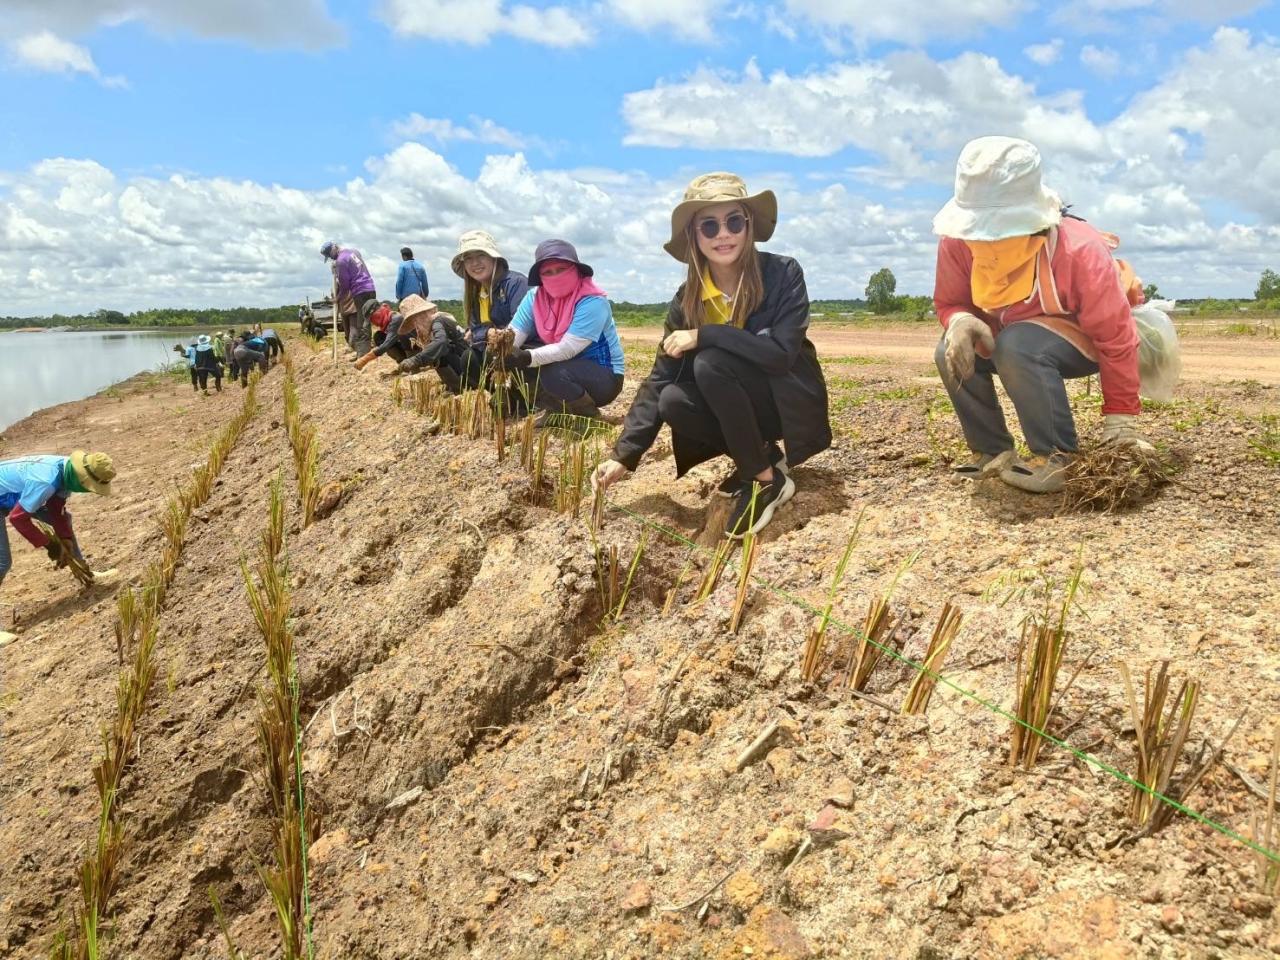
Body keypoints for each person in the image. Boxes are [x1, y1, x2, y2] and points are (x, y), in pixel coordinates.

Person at [592, 173, 831, 539]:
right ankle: (762, 457)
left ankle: (766, 482)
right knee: (673, 399)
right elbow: (660, 379)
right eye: (709, 225)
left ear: (749, 226)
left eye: (734, 221)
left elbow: (781, 355)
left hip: (785, 402)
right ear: (694, 235)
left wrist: (706, 335)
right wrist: (623, 456)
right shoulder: (686, 300)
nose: (723, 234)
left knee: (709, 361)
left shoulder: (783, 274)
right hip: (736, 408)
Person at [932, 136, 1150, 494]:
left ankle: (1055, 456)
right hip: (1008, 338)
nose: (987, 241)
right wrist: (958, 320)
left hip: (1075, 345)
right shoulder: (956, 242)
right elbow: (950, 300)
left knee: (1017, 345)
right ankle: (992, 451)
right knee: (948, 350)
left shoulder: (1078, 250)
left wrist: (1121, 418)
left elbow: (1115, 336)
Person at [499, 240, 624, 430]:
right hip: (567, 365)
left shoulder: (592, 301)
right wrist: (502, 350)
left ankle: (589, 417)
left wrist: (525, 357)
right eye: (547, 272)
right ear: (540, 276)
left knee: (548, 369)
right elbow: (516, 332)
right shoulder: (535, 297)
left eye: (561, 268)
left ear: (576, 269)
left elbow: (569, 348)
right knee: (519, 355)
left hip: (604, 376)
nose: (555, 276)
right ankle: (556, 410)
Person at [0, 451, 116, 639]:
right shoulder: (46, 481)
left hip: (11, 496)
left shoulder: (66, 471)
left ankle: (85, 570)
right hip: (6, 500)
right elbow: (18, 518)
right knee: (2, 562)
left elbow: (56, 509)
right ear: (83, 481)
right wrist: (52, 546)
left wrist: (66, 540)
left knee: (65, 520)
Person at [451, 230, 529, 388]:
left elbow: (522, 327)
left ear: (494, 258)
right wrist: (486, 333)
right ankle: (495, 394)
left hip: (520, 350)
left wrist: (489, 334)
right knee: (469, 358)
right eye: (468, 258)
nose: (475, 263)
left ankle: (519, 398)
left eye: (481, 255)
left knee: (491, 353)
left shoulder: (516, 283)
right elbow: (474, 330)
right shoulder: (476, 293)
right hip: (492, 350)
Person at [357, 295, 467, 392]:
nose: (416, 324)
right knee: (436, 353)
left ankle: (459, 386)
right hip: (458, 358)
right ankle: (452, 385)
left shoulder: (438, 321)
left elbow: (441, 342)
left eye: (416, 319)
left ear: (424, 313)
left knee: (438, 352)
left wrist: (416, 360)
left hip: (466, 362)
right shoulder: (435, 323)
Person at [321, 241, 377, 357]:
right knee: (366, 322)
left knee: (361, 325)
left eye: (330, 255)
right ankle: (363, 352)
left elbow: (345, 286)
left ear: (334, 249)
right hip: (370, 288)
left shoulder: (341, 261)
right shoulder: (354, 252)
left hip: (360, 291)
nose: (332, 258)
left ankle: (363, 355)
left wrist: (337, 298)